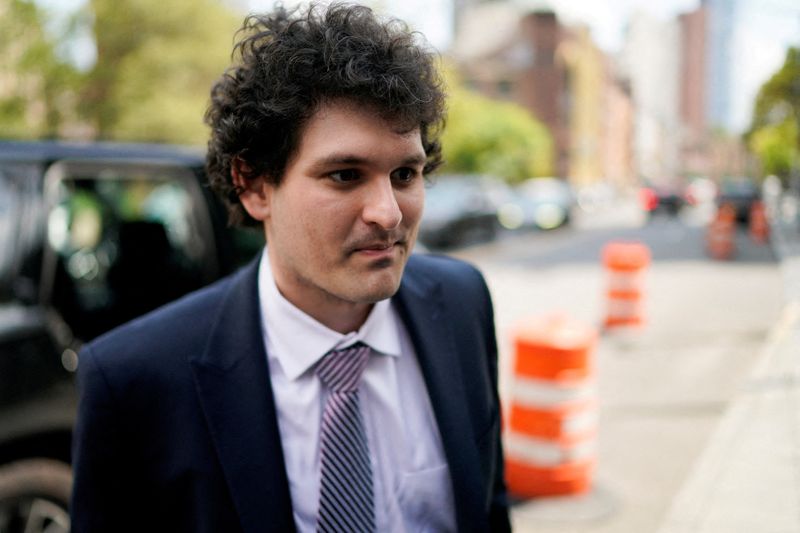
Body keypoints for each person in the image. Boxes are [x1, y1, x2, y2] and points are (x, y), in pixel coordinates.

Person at [70, 3, 511, 532]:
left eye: (404, 174)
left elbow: (487, 506)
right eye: (346, 174)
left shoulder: (462, 302)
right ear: (255, 185)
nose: (389, 213)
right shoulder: (133, 381)